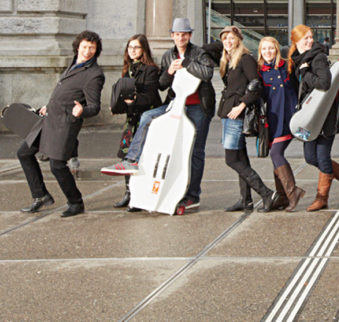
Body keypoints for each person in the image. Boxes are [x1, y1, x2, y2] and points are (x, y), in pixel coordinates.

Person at [102, 17, 215, 214]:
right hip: (174, 104)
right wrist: (170, 72)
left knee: (195, 152)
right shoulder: (167, 55)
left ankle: (193, 195)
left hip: (198, 106)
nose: (180, 38)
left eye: (184, 34)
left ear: (189, 35)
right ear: (172, 35)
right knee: (148, 117)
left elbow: (207, 74)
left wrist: (187, 63)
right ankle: (132, 159)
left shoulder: (199, 53)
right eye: (177, 34)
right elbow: (162, 84)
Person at [17, 31, 104, 217]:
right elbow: (64, 92)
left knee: (57, 166)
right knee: (24, 152)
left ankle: (76, 203)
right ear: (78, 46)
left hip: (65, 125)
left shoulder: (94, 75)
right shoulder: (74, 63)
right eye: (85, 47)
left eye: (92, 48)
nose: (87, 51)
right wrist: (47, 106)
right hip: (49, 119)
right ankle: (40, 195)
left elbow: (95, 106)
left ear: (96, 50)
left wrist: (82, 111)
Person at [205, 26, 279, 212]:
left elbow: (256, 85)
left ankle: (266, 193)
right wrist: (224, 43)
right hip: (227, 112)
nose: (228, 42)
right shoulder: (227, 60)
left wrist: (242, 105)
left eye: (232, 38)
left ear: (239, 39)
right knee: (241, 158)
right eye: (224, 39)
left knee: (231, 159)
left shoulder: (245, 59)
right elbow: (205, 49)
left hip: (235, 113)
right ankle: (245, 200)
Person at [290, 24, 339, 212]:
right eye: (305, 38)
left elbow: (324, 83)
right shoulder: (298, 59)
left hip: (322, 117)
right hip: (308, 117)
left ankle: (322, 198)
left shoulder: (317, 57)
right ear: (296, 41)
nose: (309, 40)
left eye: (310, 37)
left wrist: (305, 73)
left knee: (321, 157)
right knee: (310, 157)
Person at [110, 34, 161, 210]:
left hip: (146, 118)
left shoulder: (151, 70)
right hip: (131, 119)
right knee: (126, 157)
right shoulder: (128, 68)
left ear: (143, 49)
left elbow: (150, 97)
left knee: (142, 159)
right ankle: (129, 193)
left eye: (136, 47)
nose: (132, 50)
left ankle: (140, 196)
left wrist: (134, 100)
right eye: (130, 47)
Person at [257, 35, 305, 211]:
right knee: (275, 154)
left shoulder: (287, 65)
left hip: (290, 118)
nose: (268, 52)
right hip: (273, 119)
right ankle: (284, 196)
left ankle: (293, 193)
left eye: (271, 48)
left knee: (276, 153)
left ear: (277, 49)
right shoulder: (260, 71)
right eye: (264, 49)